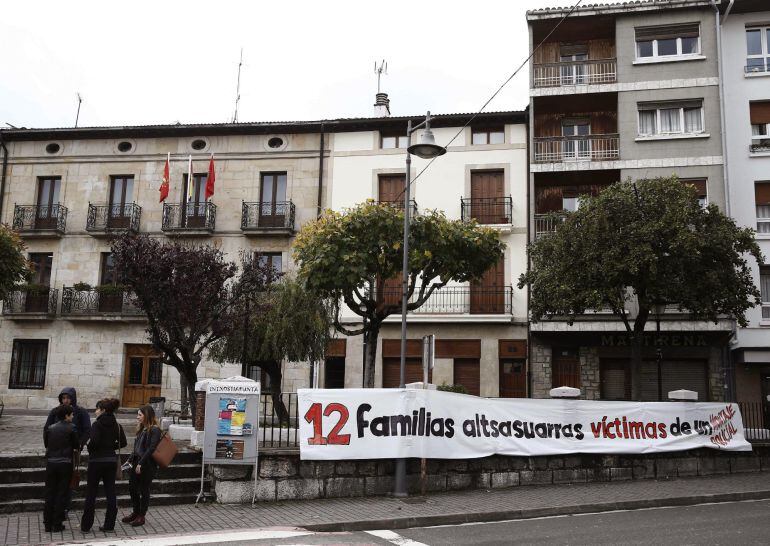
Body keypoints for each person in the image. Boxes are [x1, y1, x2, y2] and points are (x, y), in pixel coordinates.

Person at [80, 398, 127, 533]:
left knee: (91, 493)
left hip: (96, 462)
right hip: (111, 461)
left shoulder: (97, 424)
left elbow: (93, 442)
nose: (95, 412)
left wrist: (90, 447)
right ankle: (109, 524)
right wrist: (110, 446)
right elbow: (122, 443)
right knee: (111, 492)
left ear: (103, 410)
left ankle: (86, 525)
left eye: (97, 409)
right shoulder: (117, 425)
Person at [44, 387, 92, 515]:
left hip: (72, 451)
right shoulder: (55, 412)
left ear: (73, 398)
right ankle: (54, 507)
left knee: (68, 480)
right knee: (54, 481)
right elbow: (46, 429)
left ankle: (64, 506)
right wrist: (49, 445)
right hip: (55, 451)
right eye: (63, 398)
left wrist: (80, 444)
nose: (65, 400)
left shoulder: (81, 412)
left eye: (68, 398)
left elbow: (87, 430)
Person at [122, 405, 161, 527]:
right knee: (132, 488)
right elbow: (137, 448)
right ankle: (135, 512)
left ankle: (141, 515)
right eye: (137, 414)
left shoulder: (154, 430)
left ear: (147, 415)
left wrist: (140, 463)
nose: (137, 417)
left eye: (140, 415)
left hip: (147, 464)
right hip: (136, 462)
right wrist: (129, 460)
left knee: (144, 490)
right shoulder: (142, 429)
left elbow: (151, 448)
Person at [43, 404, 78, 532]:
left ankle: (47, 523)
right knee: (61, 493)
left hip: (51, 463)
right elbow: (76, 444)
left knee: (49, 493)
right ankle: (57, 523)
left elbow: (46, 443)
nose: (73, 417)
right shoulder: (71, 428)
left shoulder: (50, 428)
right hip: (65, 463)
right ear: (66, 415)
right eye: (72, 414)